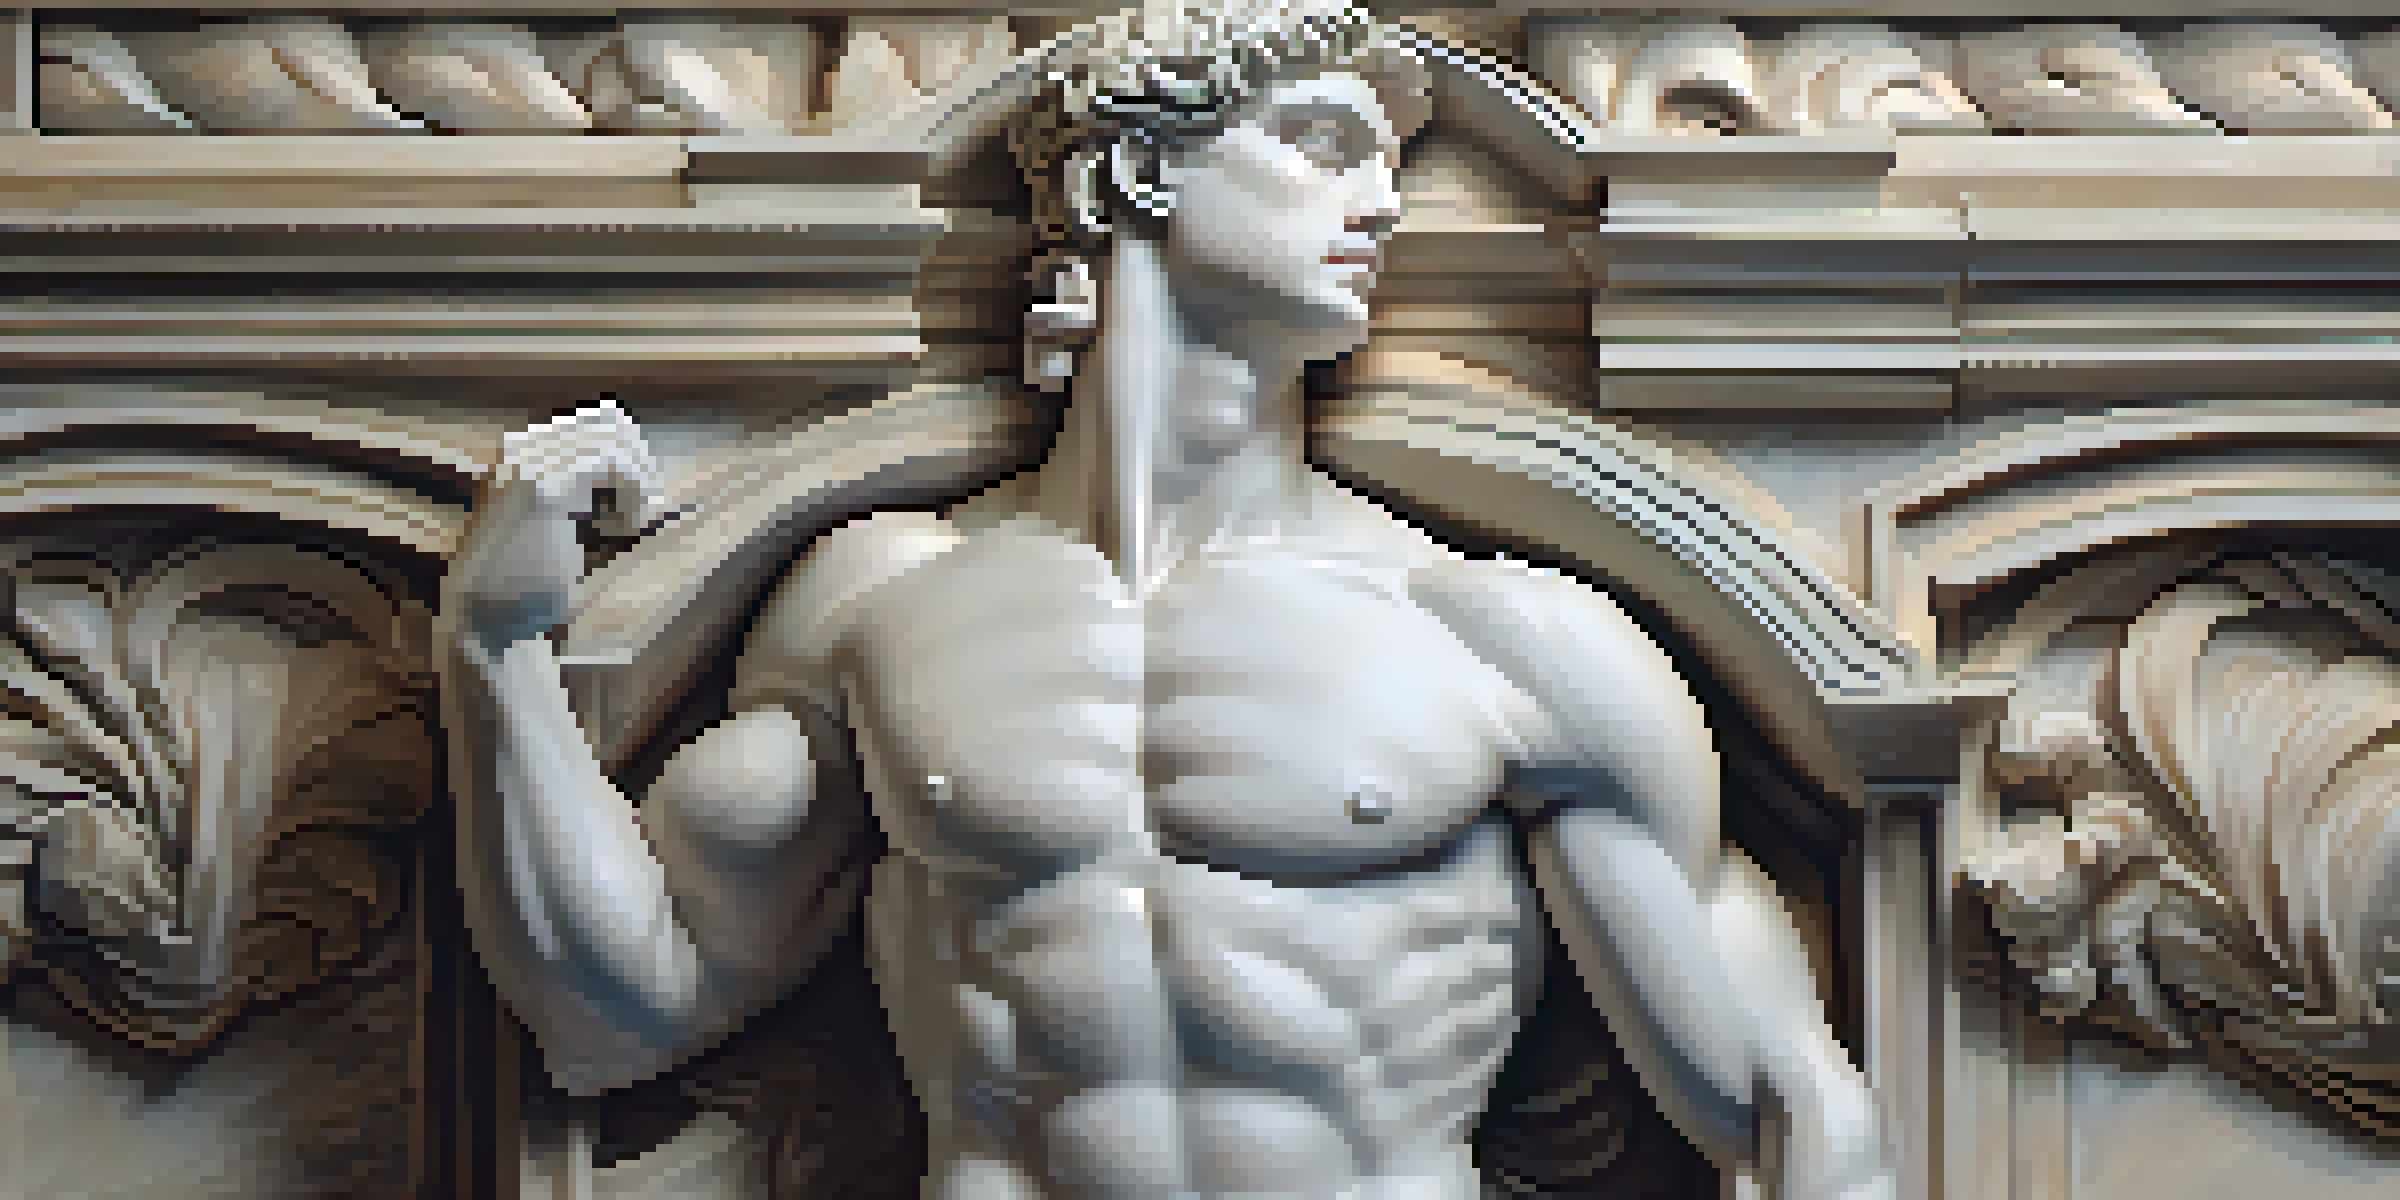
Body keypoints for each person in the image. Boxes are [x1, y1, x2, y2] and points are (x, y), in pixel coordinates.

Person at [441, 4, 1896, 1196]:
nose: (1381, 199)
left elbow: (1788, 1109)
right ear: (1133, 173)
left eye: (1382, 161)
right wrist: (493, 649)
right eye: (1321, 145)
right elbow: (621, 1001)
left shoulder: (1497, 633)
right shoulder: (883, 599)